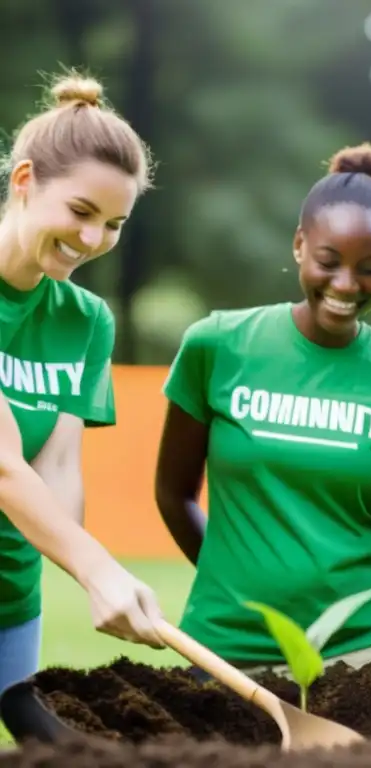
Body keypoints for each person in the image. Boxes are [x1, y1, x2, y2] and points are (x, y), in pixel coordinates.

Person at [155, 143, 371, 677]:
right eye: (328, 262)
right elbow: (173, 491)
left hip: (361, 658)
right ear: (299, 245)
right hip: (224, 649)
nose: (346, 285)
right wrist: (232, 579)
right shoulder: (217, 345)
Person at [0, 72, 166, 693]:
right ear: (24, 182)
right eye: (79, 211)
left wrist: (90, 576)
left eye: (114, 223)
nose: (92, 239)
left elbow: (59, 466)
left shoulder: (86, 319)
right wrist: (99, 569)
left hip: (12, 602)